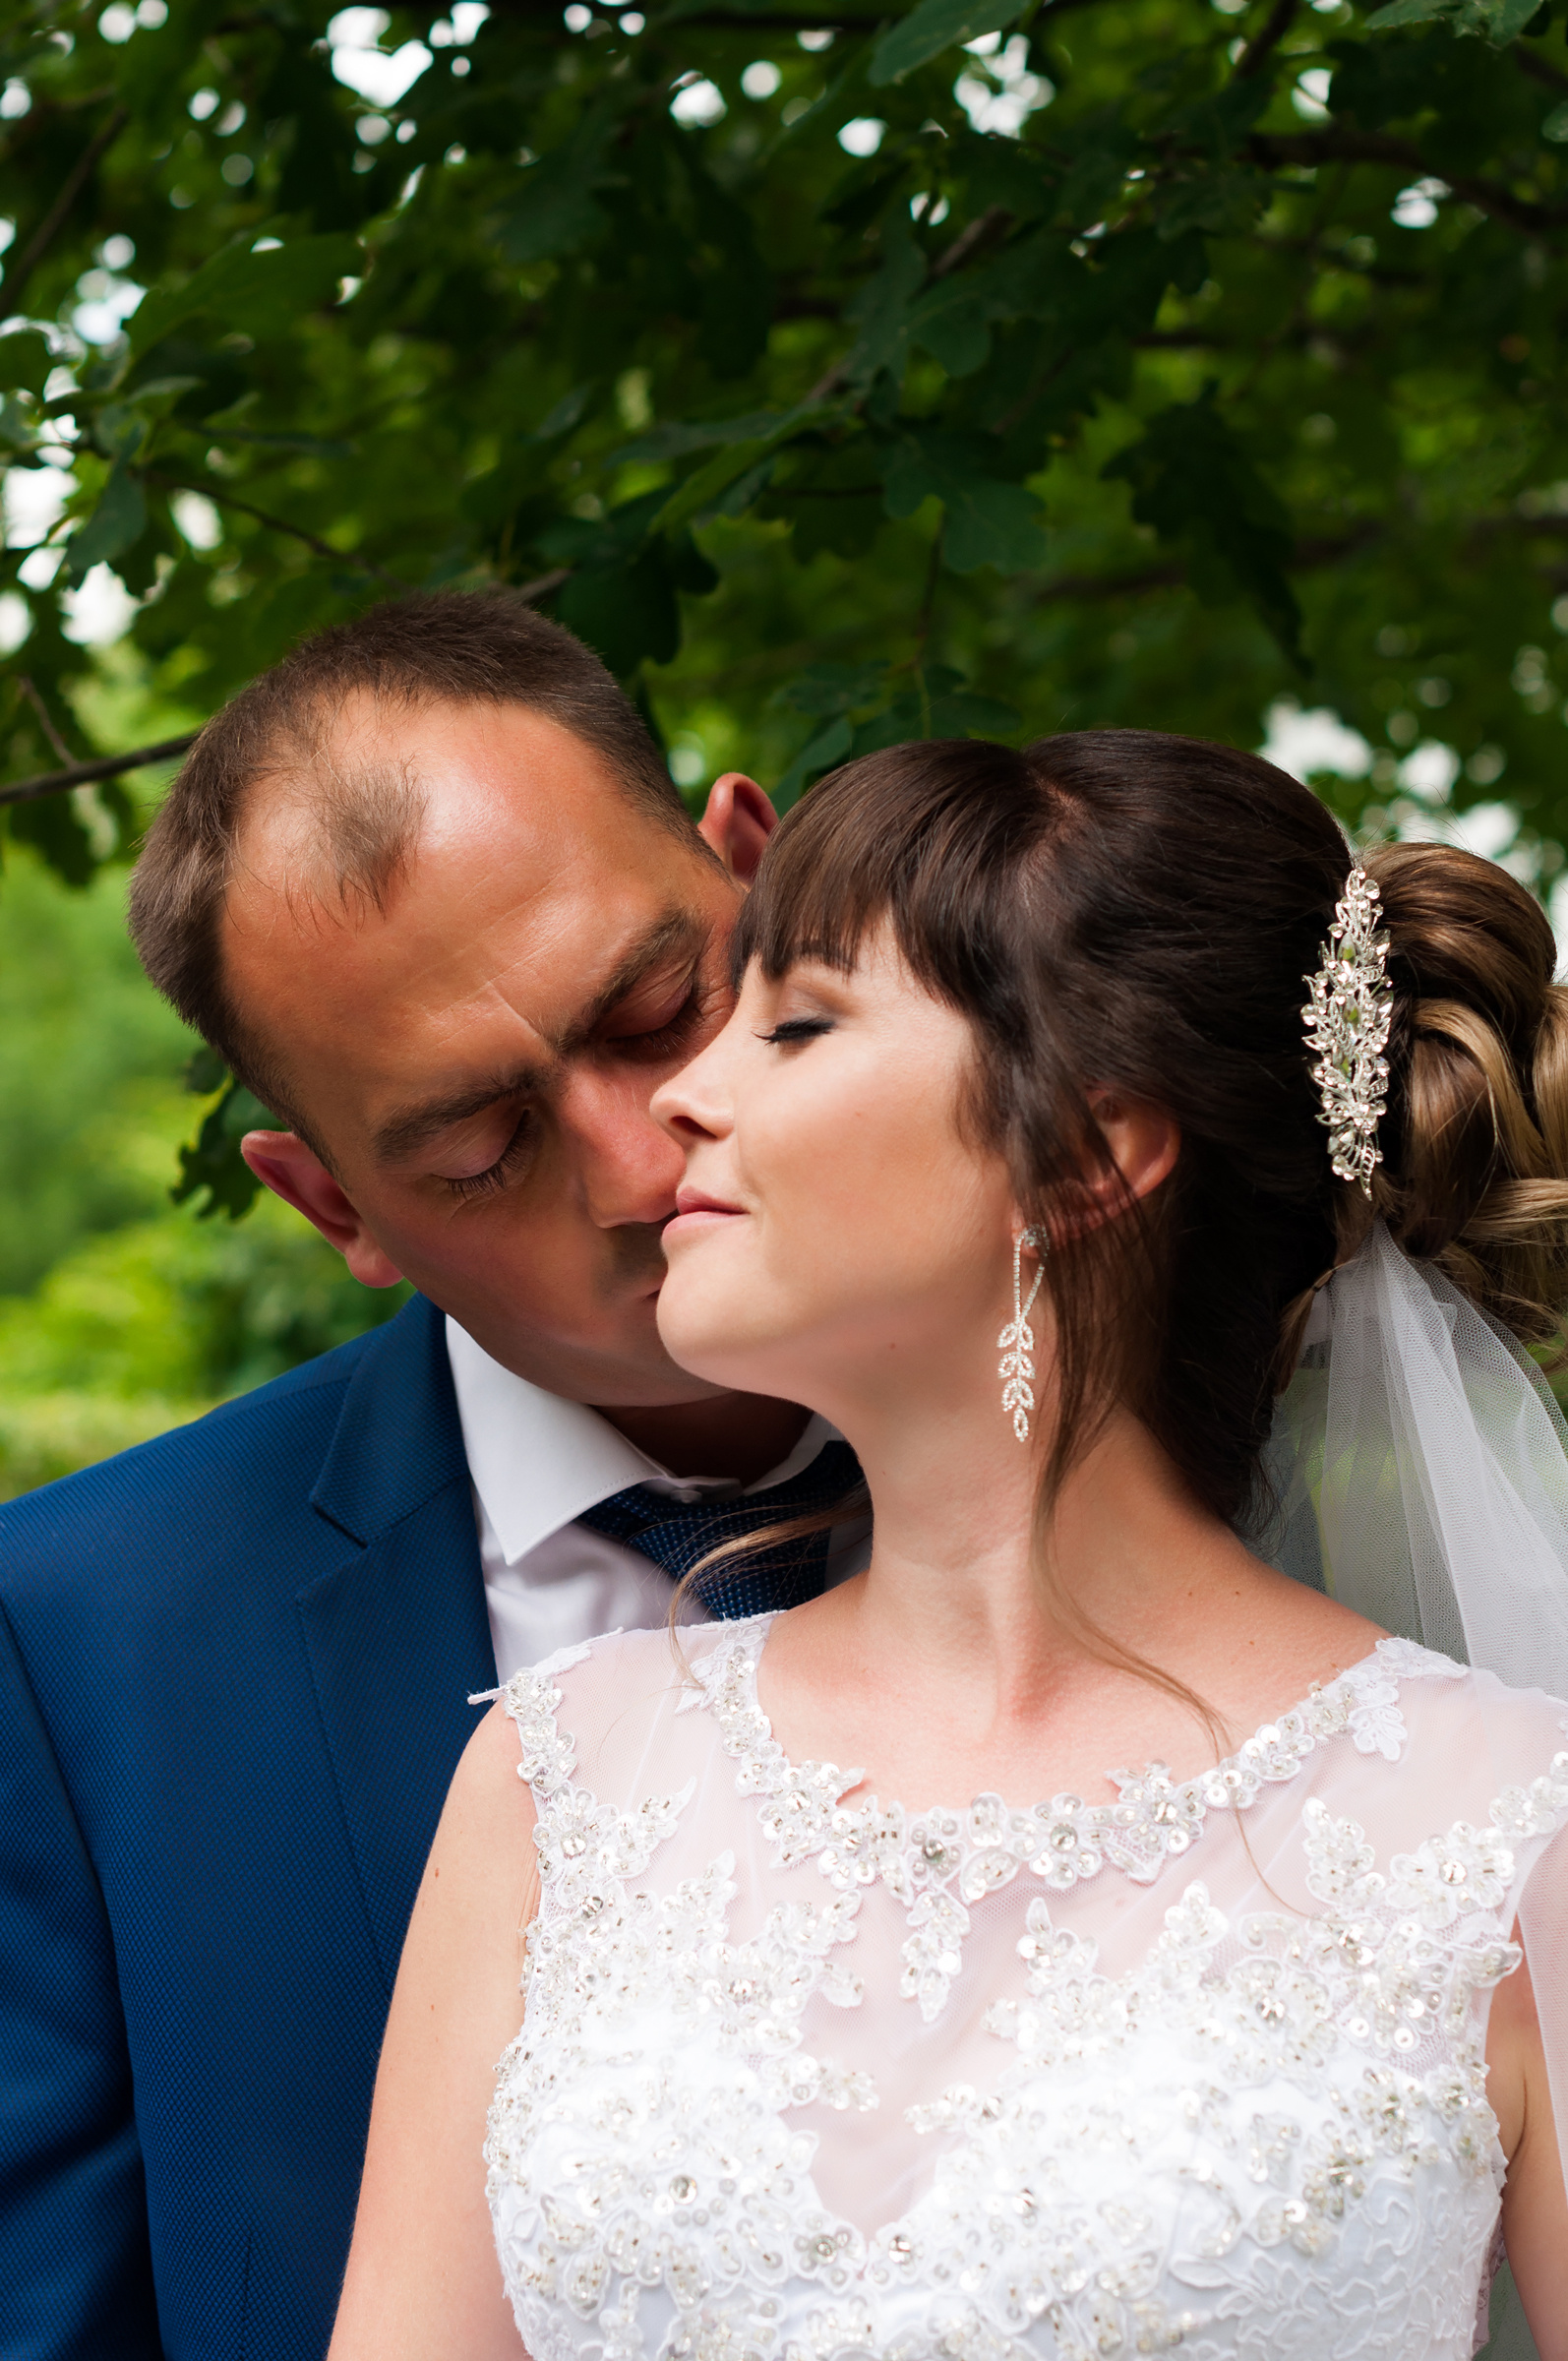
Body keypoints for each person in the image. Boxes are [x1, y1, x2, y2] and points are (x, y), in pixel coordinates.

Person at [330, 730, 1568, 2361]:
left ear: (1079, 1155)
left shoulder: (1501, 1832)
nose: (684, 1102)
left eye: (793, 1025)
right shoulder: (564, 1784)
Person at [0, 591, 864, 2361]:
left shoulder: (1221, 1425)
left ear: (761, 877)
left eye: (656, 1005)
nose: (641, 1161)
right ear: (334, 1208)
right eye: (479, 1147)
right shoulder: (76, 1646)